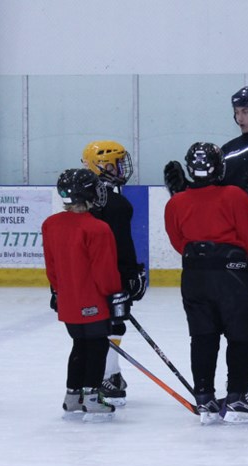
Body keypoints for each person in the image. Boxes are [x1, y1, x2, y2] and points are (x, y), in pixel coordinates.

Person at [164, 86, 248, 394]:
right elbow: (209, 194)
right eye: (237, 112)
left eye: (245, 112)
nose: (239, 118)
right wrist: (184, 188)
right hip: (239, 247)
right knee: (243, 318)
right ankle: (243, 382)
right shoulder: (228, 151)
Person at [164, 142, 248, 424]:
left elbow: (178, 243)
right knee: (242, 334)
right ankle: (236, 397)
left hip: (194, 279)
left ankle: (204, 397)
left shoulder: (175, 202)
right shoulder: (234, 195)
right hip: (231, 277)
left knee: (203, 335)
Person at [43, 168, 129, 422]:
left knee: (79, 345)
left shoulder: (50, 224)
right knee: (97, 345)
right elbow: (104, 270)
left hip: (68, 301)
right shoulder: (97, 228)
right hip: (93, 301)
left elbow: (52, 267)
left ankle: (73, 396)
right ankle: (91, 397)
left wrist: (60, 291)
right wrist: (114, 295)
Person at [81, 140, 147, 407]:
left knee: (97, 325)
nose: (122, 167)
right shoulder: (117, 203)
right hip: (112, 274)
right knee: (113, 322)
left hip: (87, 276)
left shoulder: (84, 199)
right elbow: (121, 244)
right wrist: (132, 273)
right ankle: (107, 377)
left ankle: (109, 373)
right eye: (117, 162)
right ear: (103, 165)